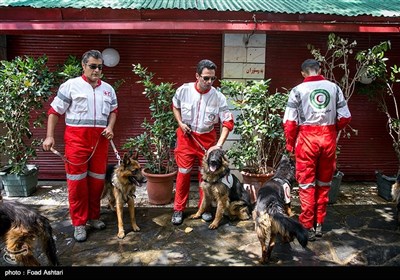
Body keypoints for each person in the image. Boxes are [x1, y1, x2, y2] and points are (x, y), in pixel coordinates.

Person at [42, 50, 118, 242]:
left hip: (100, 142)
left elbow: (114, 111)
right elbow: (54, 111)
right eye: (93, 66)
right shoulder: (71, 86)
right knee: (77, 185)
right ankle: (79, 224)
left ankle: (93, 217)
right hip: (76, 142)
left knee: (97, 182)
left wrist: (109, 126)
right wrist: (49, 136)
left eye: (100, 67)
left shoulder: (108, 89)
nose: (97, 70)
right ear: (83, 66)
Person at [283, 58, 351, 241]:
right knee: (324, 183)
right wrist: (331, 130)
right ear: (320, 69)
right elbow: (345, 117)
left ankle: (306, 225)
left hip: (306, 140)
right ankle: (319, 223)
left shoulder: (297, 90)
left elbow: (290, 123)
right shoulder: (334, 88)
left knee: (306, 184)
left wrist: (290, 145)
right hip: (328, 139)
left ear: (303, 73)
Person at [171, 59, 234, 225]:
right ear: (197, 76)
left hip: (207, 141)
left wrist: (218, 145)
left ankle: (204, 209)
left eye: (212, 78)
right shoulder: (183, 90)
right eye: (206, 78)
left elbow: (228, 122)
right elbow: (175, 106)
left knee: (205, 176)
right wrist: (180, 123)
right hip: (186, 138)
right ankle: (178, 209)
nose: (209, 82)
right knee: (183, 174)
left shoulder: (218, 97)